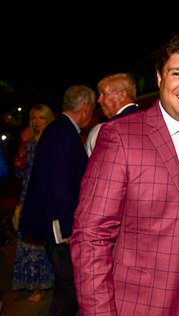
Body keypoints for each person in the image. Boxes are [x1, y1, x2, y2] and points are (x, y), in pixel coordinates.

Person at [70, 33, 179, 315]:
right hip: (145, 305)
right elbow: (91, 238)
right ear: (160, 78)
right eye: (178, 73)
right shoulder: (121, 137)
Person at [19, 85, 96, 315]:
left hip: (54, 221)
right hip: (58, 225)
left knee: (67, 287)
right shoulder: (64, 132)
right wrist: (68, 227)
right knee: (68, 289)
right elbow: (61, 184)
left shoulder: (58, 128)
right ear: (84, 108)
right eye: (92, 109)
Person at [11, 104, 55, 304]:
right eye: (34, 118)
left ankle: (56, 281)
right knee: (30, 242)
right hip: (29, 195)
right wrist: (20, 159)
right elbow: (20, 172)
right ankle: (36, 285)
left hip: (48, 195)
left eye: (41, 117)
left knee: (52, 243)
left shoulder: (55, 139)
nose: (37, 122)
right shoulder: (27, 143)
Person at [85, 72, 140, 156]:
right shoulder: (151, 122)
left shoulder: (108, 129)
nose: (99, 100)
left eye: (104, 94)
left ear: (122, 95)